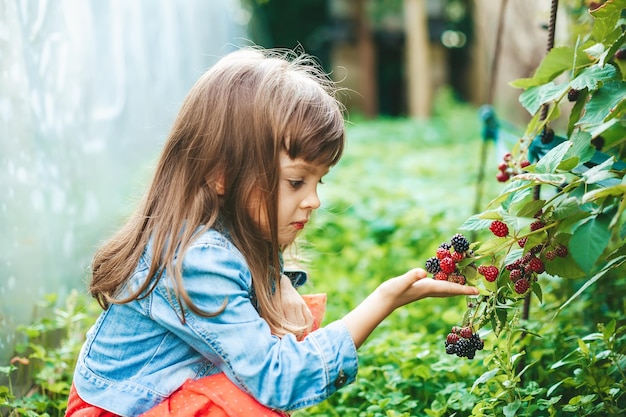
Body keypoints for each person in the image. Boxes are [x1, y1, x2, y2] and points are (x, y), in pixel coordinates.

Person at [66, 47, 478, 417]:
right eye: (296, 182)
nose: (313, 200)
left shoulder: (223, 228)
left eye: (320, 182)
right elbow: (278, 380)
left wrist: (277, 278)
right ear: (222, 174)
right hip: (119, 409)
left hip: (157, 395)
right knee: (250, 405)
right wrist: (384, 300)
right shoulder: (197, 259)